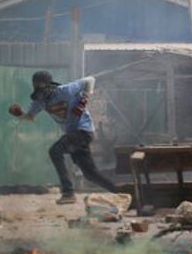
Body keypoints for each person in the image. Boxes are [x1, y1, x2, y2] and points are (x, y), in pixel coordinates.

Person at [8, 70, 117, 204]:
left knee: (55, 150)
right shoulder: (40, 101)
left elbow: (90, 80)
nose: (40, 93)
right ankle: (121, 192)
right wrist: (19, 114)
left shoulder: (65, 90)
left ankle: (68, 192)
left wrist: (84, 99)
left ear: (49, 85)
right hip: (73, 136)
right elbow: (30, 117)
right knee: (91, 174)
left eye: (41, 87)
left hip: (83, 131)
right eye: (36, 87)